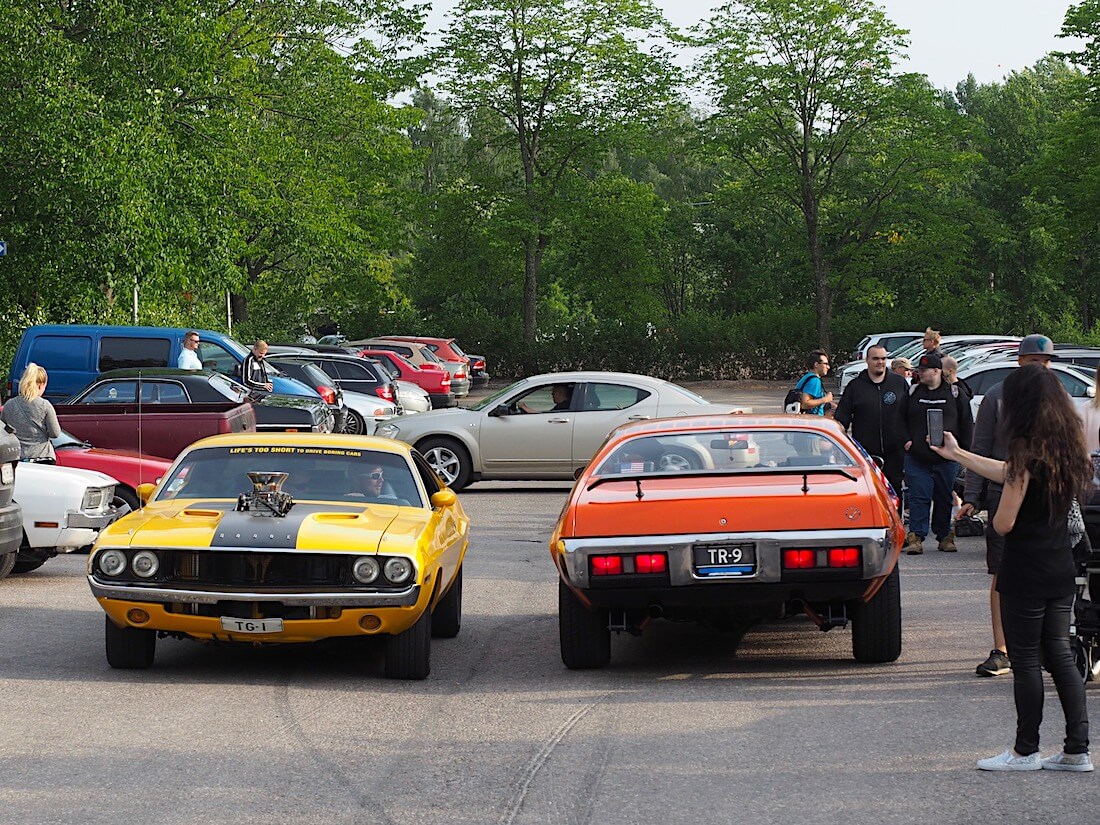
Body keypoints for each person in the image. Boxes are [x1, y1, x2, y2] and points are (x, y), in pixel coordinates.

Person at [931, 365, 1092, 772]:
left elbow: (1004, 522)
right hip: (1058, 566)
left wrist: (978, 508)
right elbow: (1009, 473)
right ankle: (1078, 750)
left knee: (1024, 660)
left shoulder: (1024, 451)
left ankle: (1025, 750)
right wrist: (960, 455)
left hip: (1024, 569)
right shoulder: (1066, 448)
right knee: (1059, 656)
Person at [961, 334, 1058, 677]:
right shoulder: (997, 397)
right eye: (1034, 361)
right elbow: (981, 446)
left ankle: (1047, 644)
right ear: (1020, 361)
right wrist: (970, 498)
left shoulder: (1057, 397)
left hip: (1048, 496)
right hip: (1003, 491)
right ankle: (1001, 648)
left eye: (1046, 361)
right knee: (1002, 573)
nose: (1041, 367)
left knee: (1051, 573)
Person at [902, 352, 973, 554]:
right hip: (917, 458)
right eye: (919, 370)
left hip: (946, 459)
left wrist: (965, 453)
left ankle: (944, 536)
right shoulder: (913, 393)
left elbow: (966, 424)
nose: (920, 373)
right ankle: (916, 536)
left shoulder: (955, 394)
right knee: (919, 496)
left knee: (944, 497)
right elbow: (898, 419)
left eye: (924, 370)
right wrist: (906, 441)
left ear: (936, 371)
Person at [834, 345, 909, 499]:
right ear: (867, 360)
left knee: (895, 495)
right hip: (866, 454)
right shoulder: (855, 387)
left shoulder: (898, 383)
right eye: (875, 358)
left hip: (896, 453)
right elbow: (842, 420)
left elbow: (911, 414)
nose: (880, 362)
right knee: (869, 496)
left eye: (883, 358)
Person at [1, 363, 62, 463]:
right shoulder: (45, 405)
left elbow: (3, 431)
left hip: (16, 458)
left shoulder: (9, 405)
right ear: (39, 385)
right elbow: (55, 433)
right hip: (42, 457)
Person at [797, 350, 833, 415]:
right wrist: (826, 399)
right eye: (825, 364)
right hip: (812, 421)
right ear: (816, 364)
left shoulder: (807, 377)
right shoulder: (814, 380)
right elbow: (805, 404)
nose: (828, 367)